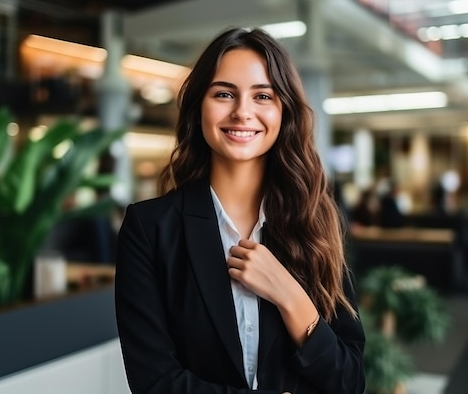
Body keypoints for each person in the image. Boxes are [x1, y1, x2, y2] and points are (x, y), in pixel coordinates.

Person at [114, 27, 366, 394]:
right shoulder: (150, 228)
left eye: (262, 95)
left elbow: (349, 382)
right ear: (199, 105)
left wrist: (289, 296)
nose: (242, 112)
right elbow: (155, 383)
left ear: (284, 111)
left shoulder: (317, 223)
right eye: (224, 93)